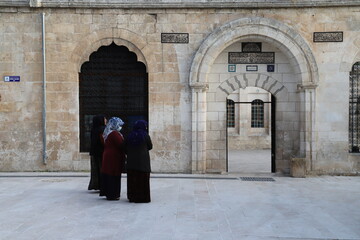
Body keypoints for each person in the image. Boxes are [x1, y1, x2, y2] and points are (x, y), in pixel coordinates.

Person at [125, 120, 153, 203]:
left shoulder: (129, 135)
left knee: (132, 180)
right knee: (143, 181)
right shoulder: (145, 135)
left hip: (131, 163)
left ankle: (132, 197)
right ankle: (143, 198)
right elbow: (150, 146)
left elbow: (124, 146)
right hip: (143, 163)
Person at [100, 117, 125, 200]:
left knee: (110, 175)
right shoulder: (114, 134)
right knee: (113, 175)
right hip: (113, 158)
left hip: (109, 156)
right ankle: (113, 194)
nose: (120, 127)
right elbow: (121, 144)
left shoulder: (110, 133)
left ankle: (110, 193)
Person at [88, 115, 106, 191]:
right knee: (102, 169)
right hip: (101, 152)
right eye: (104, 119)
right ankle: (102, 185)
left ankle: (95, 185)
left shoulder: (93, 129)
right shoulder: (102, 129)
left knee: (95, 170)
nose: (106, 121)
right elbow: (103, 141)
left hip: (94, 152)